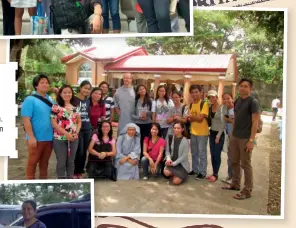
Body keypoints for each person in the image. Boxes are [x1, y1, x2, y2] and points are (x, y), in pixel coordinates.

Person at [222, 78, 260, 200]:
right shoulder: (238, 101)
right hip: (235, 136)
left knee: (246, 164)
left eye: (245, 86)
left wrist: (251, 140)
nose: (243, 88)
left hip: (245, 138)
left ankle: (247, 190)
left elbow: (255, 122)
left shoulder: (253, 102)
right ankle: (235, 184)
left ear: (250, 88)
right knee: (234, 161)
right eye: (241, 86)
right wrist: (232, 135)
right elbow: (236, 119)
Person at [21, 74, 54, 180]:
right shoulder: (30, 99)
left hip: (49, 138)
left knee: (44, 163)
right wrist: (31, 137)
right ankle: (30, 184)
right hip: (36, 138)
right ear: (36, 85)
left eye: (46, 82)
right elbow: (26, 119)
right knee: (32, 162)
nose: (45, 84)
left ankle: (43, 184)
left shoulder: (50, 100)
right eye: (42, 82)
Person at [51, 85, 81, 179]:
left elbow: (79, 122)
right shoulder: (55, 107)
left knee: (71, 162)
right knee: (61, 162)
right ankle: (61, 182)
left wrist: (76, 132)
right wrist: (66, 134)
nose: (67, 94)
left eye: (69, 92)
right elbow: (54, 124)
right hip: (60, 138)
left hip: (73, 138)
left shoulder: (76, 107)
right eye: (65, 92)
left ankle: (70, 181)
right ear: (60, 94)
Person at [187, 85, 209, 179]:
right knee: (194, 152)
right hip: (193, 132)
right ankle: (195, 169)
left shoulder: (204, 103)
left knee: (202, 153)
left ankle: (202, 172)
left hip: (202, 133)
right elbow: (189, 119)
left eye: (196, 92)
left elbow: (200, 119)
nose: (194, 94)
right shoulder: (191, 104)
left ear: (200, 92)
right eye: (192, 92)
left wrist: (192, 118)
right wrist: (192, 118)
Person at [73, 80, 92, 179]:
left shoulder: (88, 100)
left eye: (88, 89)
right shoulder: (74, 99)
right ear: (80, 88)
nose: (86, 90)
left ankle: (80, 170)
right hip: (78, 129)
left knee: (84, 151)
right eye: (85, 88)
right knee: (78, 151)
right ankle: (75, 171)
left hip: (87, 128)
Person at [207, 90, 227, 182]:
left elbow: (223, 124)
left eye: (213, 97)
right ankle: (213, 172)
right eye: (210, 97)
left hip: (219, 133)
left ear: (216, 97)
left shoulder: (222, 108)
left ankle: (216, 174)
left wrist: (218, 136)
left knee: (217, 154)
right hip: (212, 132)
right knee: (212, 154)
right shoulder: (210, 107)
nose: (211, 99)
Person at [132, 85, 155, 159]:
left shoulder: (150, 100)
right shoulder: (135, 101)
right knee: (138, 141)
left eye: (143, 88)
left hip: (148, 124)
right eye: (140, 89)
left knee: (146, 141)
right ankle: (138, 157)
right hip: (138, 124)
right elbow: (132, 115)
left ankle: (145, 157)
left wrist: (147, 114)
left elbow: (153, 112)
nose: (142, 90)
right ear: (137, 92)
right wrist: (139, 117)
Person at [222, 92, 235, 184]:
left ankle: (234, 178)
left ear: (232, 99)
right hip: (228, 136)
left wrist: (229, 120)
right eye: (224, 99)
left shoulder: (236, 109)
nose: (226, 100)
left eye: (228, 98)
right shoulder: (224, 109)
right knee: (229, 157)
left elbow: (238, 123)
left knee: (235, 158)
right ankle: (230, 176)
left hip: (236, 137)